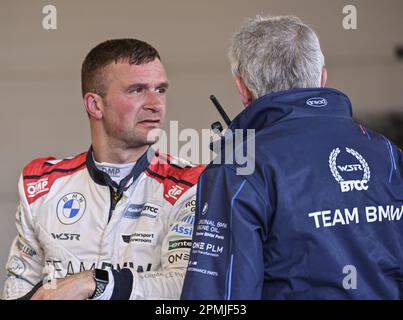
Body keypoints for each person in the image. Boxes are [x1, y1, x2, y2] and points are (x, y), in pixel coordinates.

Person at [181, 15, 403, 299]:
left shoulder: (241, 166)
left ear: (242, 89)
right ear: (322, 77)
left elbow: (217, 298)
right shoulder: (388, 154)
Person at [3, 39, 204, 300]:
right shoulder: (41, 184)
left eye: (161, 89)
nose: (156, 104)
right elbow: (17, 288)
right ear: (95, 105)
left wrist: (93, 282)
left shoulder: (191, 184)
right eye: (137, 90)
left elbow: (186, 285)